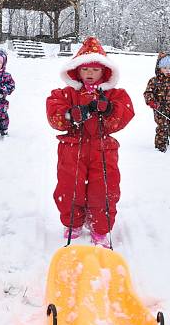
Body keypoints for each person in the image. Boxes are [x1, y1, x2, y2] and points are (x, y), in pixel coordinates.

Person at [46, 37, 134, 248]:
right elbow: (53, 110)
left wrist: (111, 109)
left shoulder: (115, 94)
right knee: (69, 188)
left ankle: (100, 226)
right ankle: (73, 222)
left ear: (104, 71)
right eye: (85, 69)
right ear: (77, 71)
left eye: (95, 69)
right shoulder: (66, 93)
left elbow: (125, 112)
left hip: (102, 149)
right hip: (72, 148)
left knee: (103, 189)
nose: (90, 74)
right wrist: (70, 115)